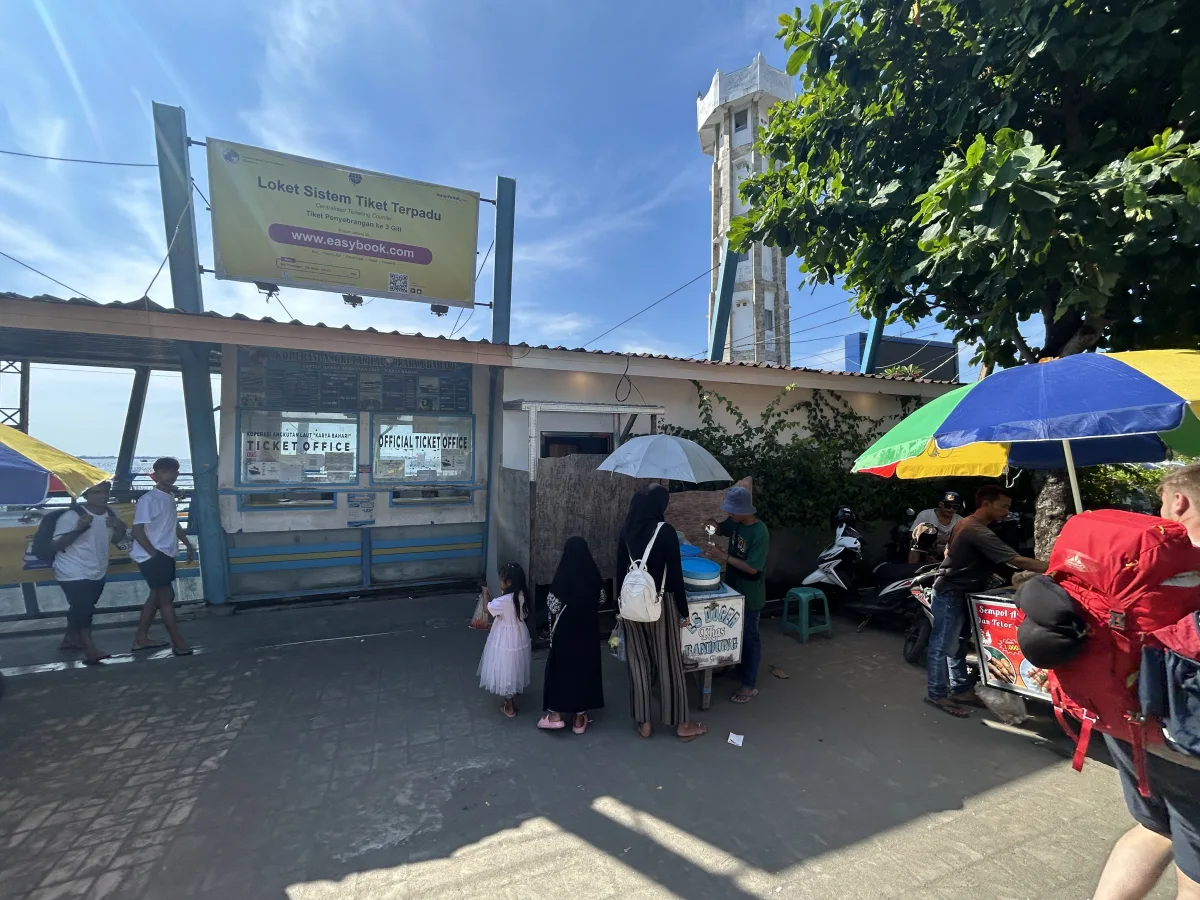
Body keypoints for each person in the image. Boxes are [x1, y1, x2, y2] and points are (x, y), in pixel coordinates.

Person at [1092, 463, 1200, 900]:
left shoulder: (1135, 561)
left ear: (1180, 501)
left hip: (1123, 721)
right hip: (1187, 739)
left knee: (1154, 827)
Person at [924, 484, 1046, 718]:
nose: (1007, 511)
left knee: (959, 644)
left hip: (963, 591)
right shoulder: (975, 528)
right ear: (986, 504)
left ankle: (960, 689)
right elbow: (1017, 560)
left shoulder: (966, 523)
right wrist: (1058, 566)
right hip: (951, 591)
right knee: (942, 645)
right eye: (1004, 506)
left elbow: (949, 551)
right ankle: (937, 693)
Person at [617, 484, 706, 741]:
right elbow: (676, 576)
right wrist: (683, 611)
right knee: (669, 662)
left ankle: (644, 722)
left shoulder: (625, 532)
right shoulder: (665, 531)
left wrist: (620, 608)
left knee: (638, 663)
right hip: (660, 603)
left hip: (631, 605)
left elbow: (618, 571)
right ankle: (681, 723)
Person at [704, 486, 770, 704]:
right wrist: (712, 525)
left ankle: (749, 685)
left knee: (750, 637)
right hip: (732, 589)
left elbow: (753, 569)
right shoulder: (735, 523)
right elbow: (720, 527)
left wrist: (723, 557)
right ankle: (739, 668)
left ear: (745, 511)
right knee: (735, 633)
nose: (730, 514)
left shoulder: (760, 532)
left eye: (733, 511)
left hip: (750, 593)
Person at [53, 481, 127, 664]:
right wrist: (79, 529)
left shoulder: (111, 513)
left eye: (105, 492)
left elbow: (117, 539)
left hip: (97, 568)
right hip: (72, 569)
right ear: (86, 495)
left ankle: (69, 639)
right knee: (85, 609)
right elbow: (58, 545)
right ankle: (90, 649)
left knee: (82, 606)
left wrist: (121, 527)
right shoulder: (71, 516)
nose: (103, 496)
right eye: (97, 492)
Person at [538, 537, 605, 734]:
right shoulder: (593, 576)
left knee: (560, 671)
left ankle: (555, 716)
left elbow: (552, 605)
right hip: (588, 635)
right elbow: (601, 599)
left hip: (565, 636)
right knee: (584, 671)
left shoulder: (563, 576)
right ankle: (578, 719)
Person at [129, 457, 194, 656]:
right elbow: (137, 531)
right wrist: (154, 554)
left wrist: (187, 544)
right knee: (166, 597)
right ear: (155, 475)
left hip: (164, 553)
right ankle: (178, 642)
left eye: (174, 471)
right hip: (153, 555)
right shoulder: (148, 499)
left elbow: (172, 524)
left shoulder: (169, 497)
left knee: (157, 596)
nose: (171, 475)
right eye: (166, 471)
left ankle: (141, 638)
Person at [478, 562, 532, 718]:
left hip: (504, 636)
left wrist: (485, 592)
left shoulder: (504, 601)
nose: (499, 582)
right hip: (519, 634)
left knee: (505, 666)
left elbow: (487, 609)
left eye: (501, 579)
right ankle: (513, 693)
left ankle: (509, 706)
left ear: (509, 583)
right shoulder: (523, 595)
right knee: (515, 663)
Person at [908, 491, 963, 563]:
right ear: (940, 504)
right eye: (948, 506)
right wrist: (936, 539)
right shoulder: (926, 514)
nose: (951, 509)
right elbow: (911, 534)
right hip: (926, 547)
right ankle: (912, 570)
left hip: (947, 549)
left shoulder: (961, 520)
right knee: (915, 547)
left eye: (955, 507)